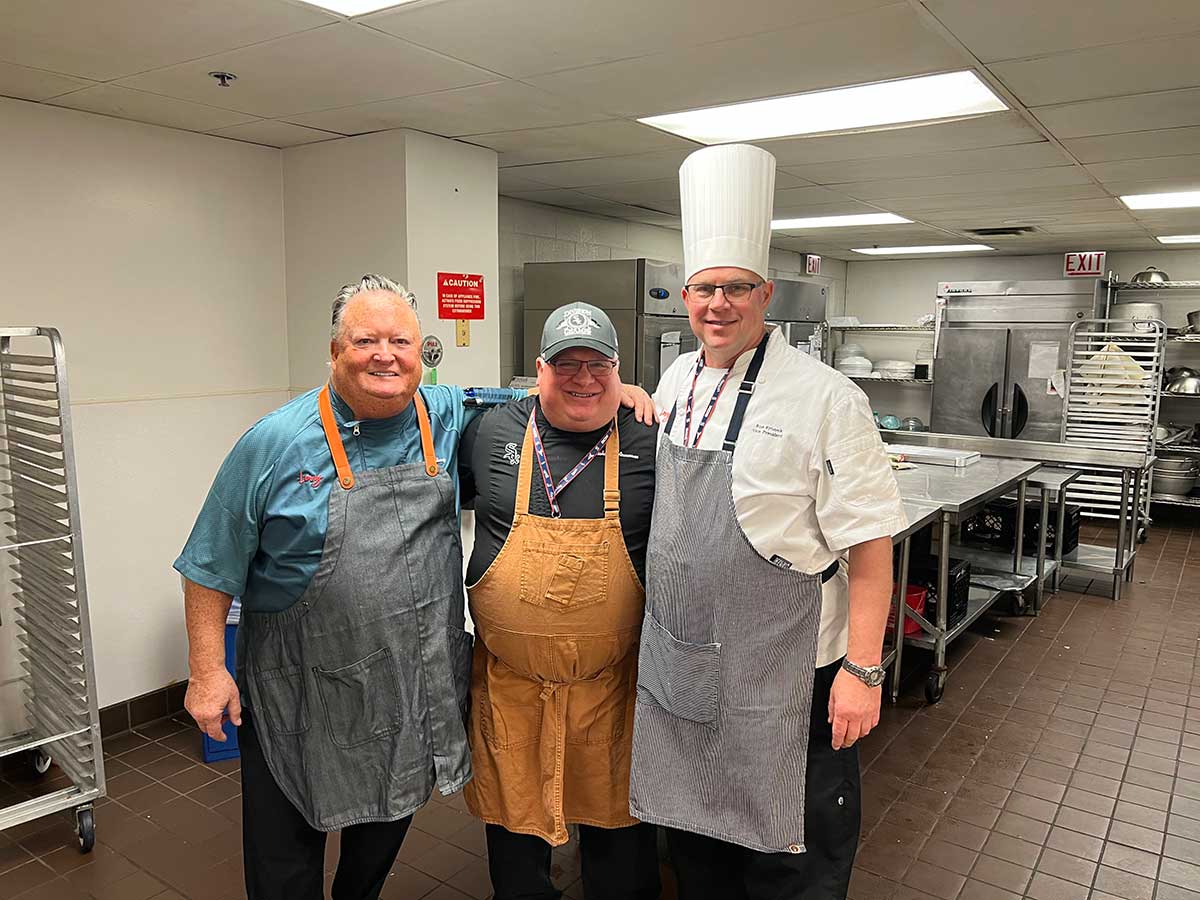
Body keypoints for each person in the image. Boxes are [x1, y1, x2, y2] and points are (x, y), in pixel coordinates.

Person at [175, 275, 655, 900]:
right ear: (334, 352)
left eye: (400, 340)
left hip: (406, 687)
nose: (384, 355)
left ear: (419, 352)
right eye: (365, 340)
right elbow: (209, 563)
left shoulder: (445, 414)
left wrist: (620, 388)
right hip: (300, 689)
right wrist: (208, 670)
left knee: (382, 830)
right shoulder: (272, 443)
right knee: (285, 854)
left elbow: (531, 393)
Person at [628, 145, 907, 900]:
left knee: (792, 858)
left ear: (766, 293)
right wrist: (618, 392)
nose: (718, 304)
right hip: (688, 664)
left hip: (793, 673)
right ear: (685, 297)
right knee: (697, 848)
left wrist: (863, 670)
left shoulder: (826, 399)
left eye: (736, 288)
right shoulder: (679, 377)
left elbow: (871, 549)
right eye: (703, 289)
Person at [458, 302, 661, 900]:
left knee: (620, 853)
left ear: (619, 371)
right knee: (516, 864)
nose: (582, 378)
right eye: (565, 364)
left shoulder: (651, 439)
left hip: (614, 692)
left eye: (598, 365)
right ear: (537, 371)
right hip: (511, 690)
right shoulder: (490, 431)